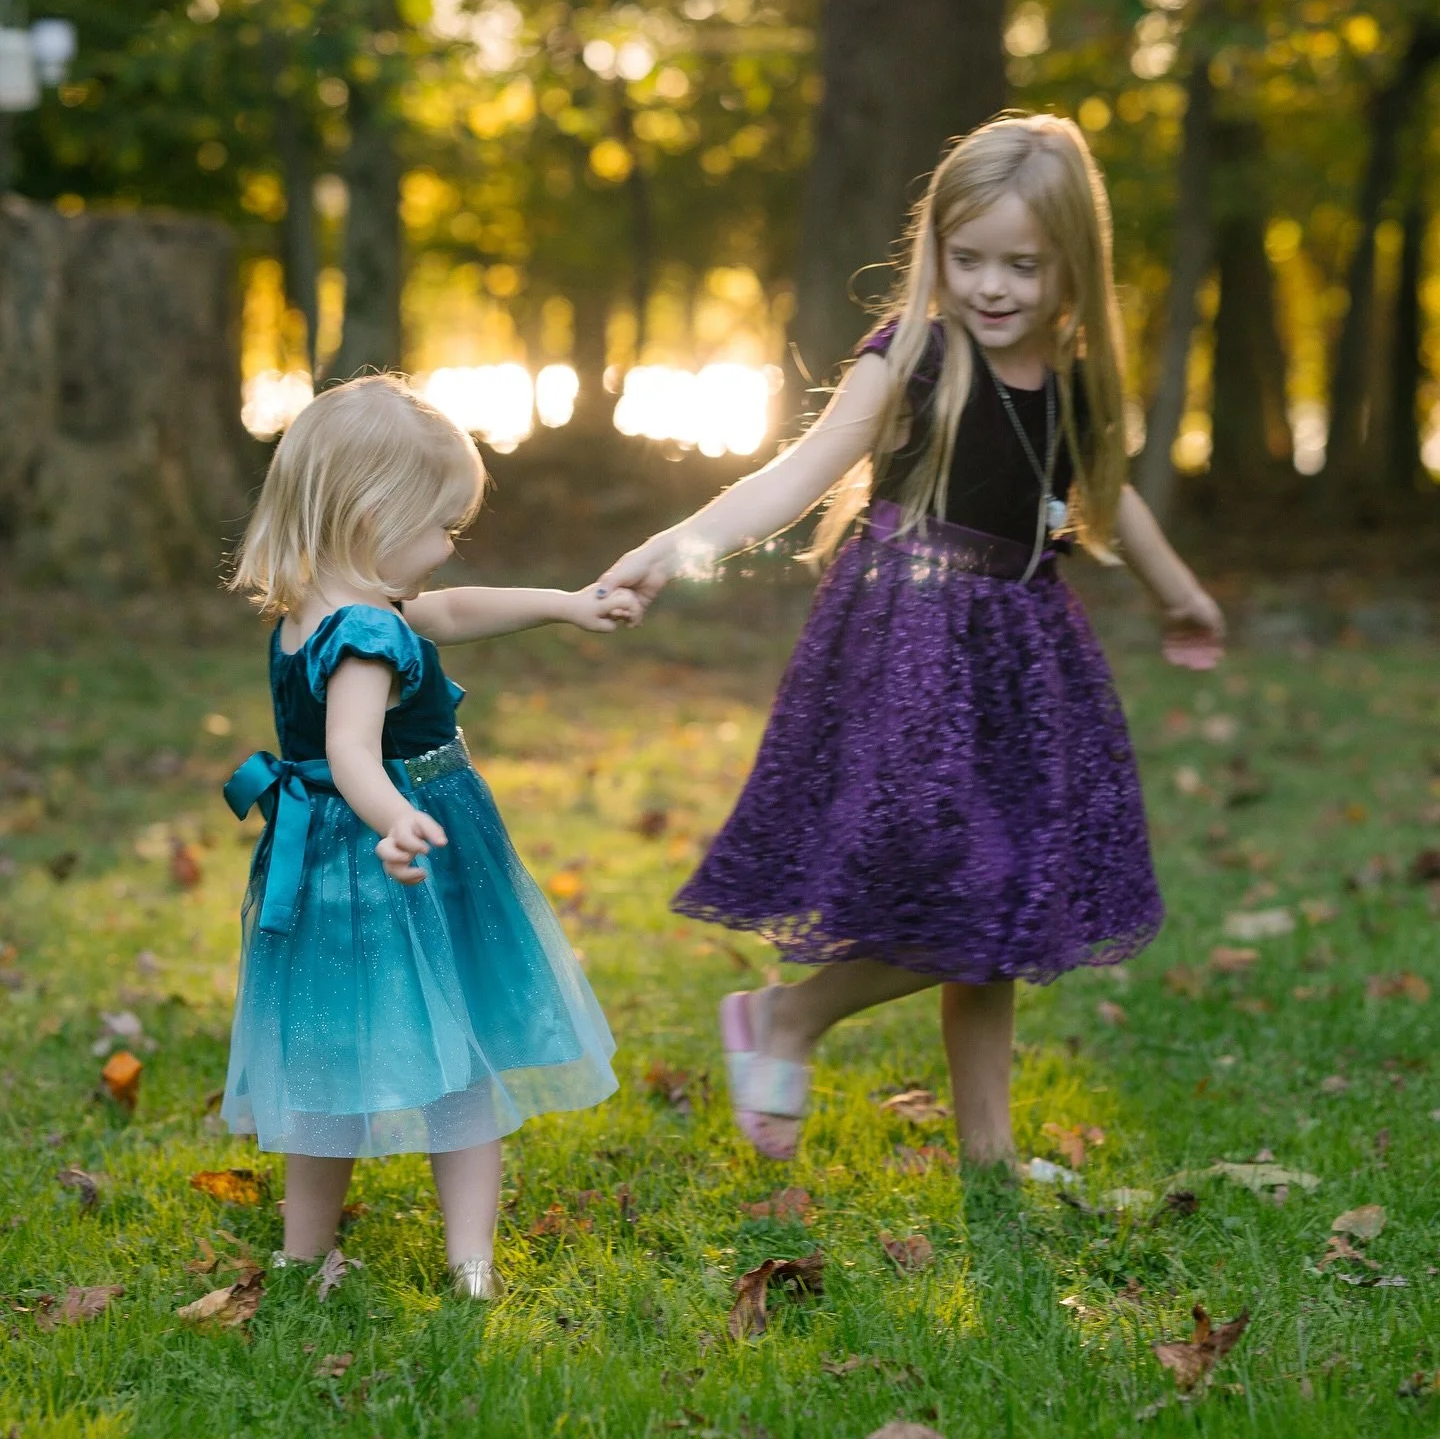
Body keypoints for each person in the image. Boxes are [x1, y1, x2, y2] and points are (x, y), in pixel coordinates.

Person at [597, 114, 1224, 1167]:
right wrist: (677, 543)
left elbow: (1106, 501)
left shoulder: (1071, 380)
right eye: (966, 258)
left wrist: (1179, 596)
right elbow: (795, 475)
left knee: (1009, 902)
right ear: (934, 249)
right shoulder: (914, 360)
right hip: (912, 648)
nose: (990, 286)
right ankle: (789, 1018)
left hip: (1021, 656)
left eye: (1021, 265)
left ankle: (987, 1155)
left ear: (1073, 260)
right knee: (979, 883)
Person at [222, 374, 639, 1298]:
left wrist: (566, 603)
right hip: (405, 846)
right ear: (376, 512)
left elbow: (447, 614)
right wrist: (398, 816)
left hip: (324, 856)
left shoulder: (316, 609)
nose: (452, 545)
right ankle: (470, 1260)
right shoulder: (367, 630)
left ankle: (303, 1252)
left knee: (328, 1053)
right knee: (463, 1044)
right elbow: (351, 748)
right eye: (445, 523)